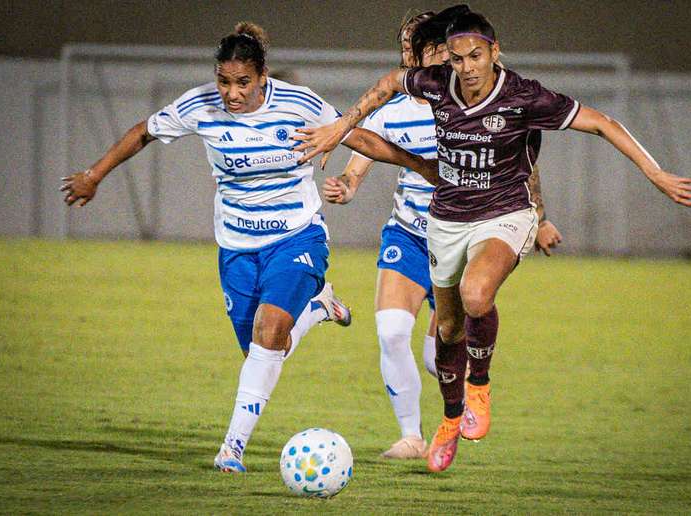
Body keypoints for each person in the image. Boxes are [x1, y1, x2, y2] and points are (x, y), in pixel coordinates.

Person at [293, 7, 691, 472]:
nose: (466, 67)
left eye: (475, 56)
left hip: (504, 214)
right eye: (457, 59)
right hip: (446, 219)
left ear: (494, 52)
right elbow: (388, 84)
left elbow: (602, 122)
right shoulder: (435, 84)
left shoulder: (523, 96)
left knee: (476, 293)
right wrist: (340, 128)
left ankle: (479, 387)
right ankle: (450, 419)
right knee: (448, 331)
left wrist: (656, 174)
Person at [60, 22, 436, 473]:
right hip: (237, 247)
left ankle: (231, 449)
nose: (232, 93)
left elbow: (359, 137)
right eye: (224, 81)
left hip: (297, 237)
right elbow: (144, 131)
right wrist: (94, 175)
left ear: (262, 77)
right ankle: (319, 307)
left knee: (270, 331)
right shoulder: (200, 105)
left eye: (243, 83)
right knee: (266, 350)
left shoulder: (298, 103)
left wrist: (422, 167)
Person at [322, 10, 562, 460]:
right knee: (392, 332)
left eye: (420, 47)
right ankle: (410, 436)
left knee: (441, 354)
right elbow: (360, 162)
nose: (411, 55)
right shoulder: (393, 112)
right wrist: (347, 186)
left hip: (464, 237)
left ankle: (467, 398)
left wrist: (541, 217)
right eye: (406, 47)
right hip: (410, 235)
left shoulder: (474, 101)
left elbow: (521, 165)